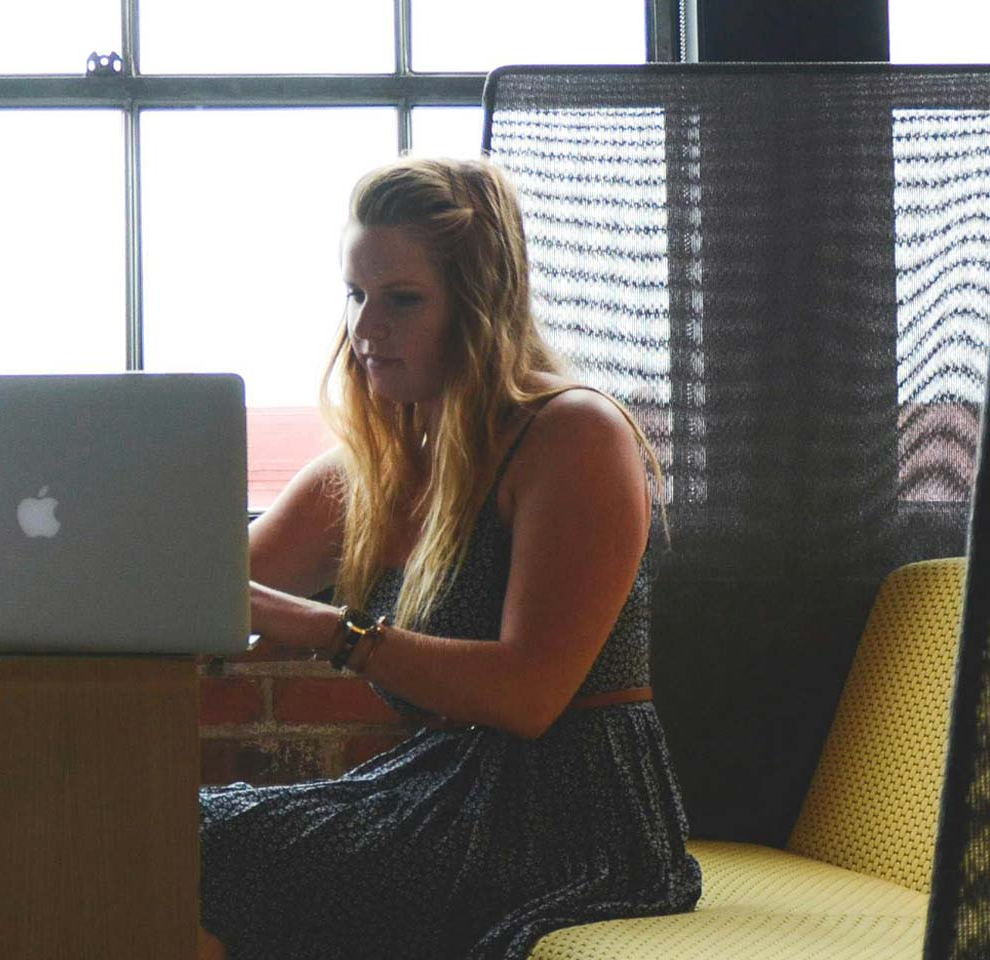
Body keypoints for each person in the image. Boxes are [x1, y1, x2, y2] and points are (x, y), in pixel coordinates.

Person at [197, 157, 702, 960]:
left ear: (478, 307)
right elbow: (200, 589)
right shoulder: (379, 461)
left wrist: (325, 627)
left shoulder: (572, 435)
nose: (366, 330)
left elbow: (530, 694)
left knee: (203, 847)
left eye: (402, 300)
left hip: (577, 817)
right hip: (445, 786)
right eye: (356, 295)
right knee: (166, 830)